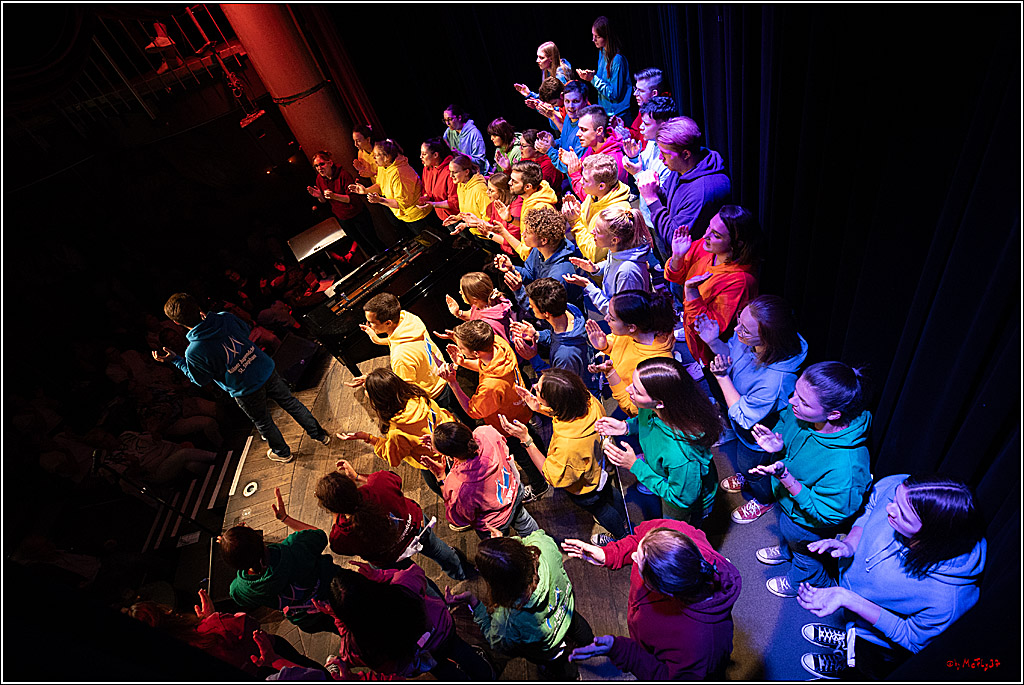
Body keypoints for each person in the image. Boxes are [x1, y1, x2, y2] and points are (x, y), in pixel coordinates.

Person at [797, 474, 986, 680]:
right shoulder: (905, 490)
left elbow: (911, 638)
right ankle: (845, 639)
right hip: (853, 606)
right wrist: (850, 544)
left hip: (878, 641)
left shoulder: (948, 600)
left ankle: (844, 664)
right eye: (894, 500)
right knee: (851, 632)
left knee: (862, 662)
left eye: (903, 516)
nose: (890, 509)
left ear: (931, 537)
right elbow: (872, 506)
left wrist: (850, 600)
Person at [152, 293, 330, 464]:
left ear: (176, 322)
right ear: (197, 307)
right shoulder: (224, 317)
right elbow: (245, 332)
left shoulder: (193, 352)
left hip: (245, 389)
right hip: (264, 369)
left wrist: (175, 360)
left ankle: (282, 453)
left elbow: (200, 380)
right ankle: (320, 435)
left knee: (264, 422)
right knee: (290, 402)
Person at [746, 362, 873, 598]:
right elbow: (785, 422)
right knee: (791, 538)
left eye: (804, 401)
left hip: (808, 523)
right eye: (795, 392)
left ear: (833, 414)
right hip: (788, 507)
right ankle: (788, 551)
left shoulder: (846, 465)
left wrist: (786, 478)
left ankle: (803, 581)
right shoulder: (800, 412)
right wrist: (779, 442)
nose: (792, 401)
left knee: (806, 555)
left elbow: (828, 514)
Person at [562, 518, 742, 679]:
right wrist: (609, 554)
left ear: (664, 591)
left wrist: (623, 652)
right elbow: (638, 540)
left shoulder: (700, 646)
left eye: (638, 562)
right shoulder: (673, 531)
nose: (633, 557)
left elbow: (664, 677)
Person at [694, 295, 808, 524]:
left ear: (769, 339)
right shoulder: (753, 342)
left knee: (750, 465)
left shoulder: (775, 381)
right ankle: (749, 477)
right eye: (739, 321)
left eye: (744, 329)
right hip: (740, 414)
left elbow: (745, 418)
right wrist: (714, 342)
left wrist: (722, 378)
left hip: (757, 434)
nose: (736, 330)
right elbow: (733, 354)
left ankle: (764, 499)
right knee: (746, 463)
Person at [273, 460, 471, 582]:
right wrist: (358, 476)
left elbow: (334, 541)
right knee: (438, 549)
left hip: (390, 558)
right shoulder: (379, 484)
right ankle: (463, 574)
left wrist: (287, 518)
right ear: (351, 485)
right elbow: (395, 479)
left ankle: (437, 604)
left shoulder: (341, 535)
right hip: (416, 527)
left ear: (331, 509)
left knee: (413, 580)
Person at [501, 368, 629, 542]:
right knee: (608, 493)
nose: (533, 387)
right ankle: (625, 520)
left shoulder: (567, 445)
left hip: (585, 487)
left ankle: (622, 538)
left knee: (600, 508)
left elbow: (551, 476)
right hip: (598, 468)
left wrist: (527, 440)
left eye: (538, 390)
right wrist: (538, 406)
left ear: (556, 403)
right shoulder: (586, 400)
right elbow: (564, 412)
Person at [448, 532, 595, 679]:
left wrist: (474, 603)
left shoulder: (506, 620)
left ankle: (573, 677)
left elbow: (496, 641)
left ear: (496, 582)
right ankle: (591, 644)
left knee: (559, 664)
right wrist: (505, 549)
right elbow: (529, 540)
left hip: (549, 648)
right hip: (566, 609)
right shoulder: (543, 545)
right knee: (579, 628)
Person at [596, 357, 722, 524]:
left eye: (637, 391)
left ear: (660, 403)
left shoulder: (681, 456)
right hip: (668, 477)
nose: (628, 389)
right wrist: (626, 427)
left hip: (683, 504)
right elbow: (649, 422)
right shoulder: (656, 408)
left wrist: (635, 466)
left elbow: (681, 500)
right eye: (633, 383)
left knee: (676, 530)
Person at [319, 563, 494, 680]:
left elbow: (352, 655)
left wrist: (337, 618)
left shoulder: (355, 645)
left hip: (417, 659)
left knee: (442, 670)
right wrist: (379, 575)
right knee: (462, 651)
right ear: (367, 584)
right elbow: (417, 573)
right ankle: (487, 675)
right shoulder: (402, 586)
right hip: (442, 631)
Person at [436, 320, 547, 500]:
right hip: (521, 409)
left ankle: (539, 485)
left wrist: (453, 382)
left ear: (476, 352)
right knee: (531, 436)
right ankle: (544, 462)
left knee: (522, 455)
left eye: (462, 348)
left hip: (507, 425)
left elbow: (473, 411)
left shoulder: (490, 387)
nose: (461, 351)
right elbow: (485, 366)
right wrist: (462, 359)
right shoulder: (498, 344)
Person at [127, 589, 327, 678]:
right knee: (308, 671)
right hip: (273, 657)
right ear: (165, 615)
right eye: (163, 610)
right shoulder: (214, 625)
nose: (170, 610)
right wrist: (213, 618)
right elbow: (251, 624)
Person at [665, 205, 761, 366]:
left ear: (736, 244)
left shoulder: (740, 281)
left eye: (716, 235)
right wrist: (677, 257)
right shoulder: (707, 247)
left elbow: (709, 329)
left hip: (711, 353)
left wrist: (691, 292)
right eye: (709, 226)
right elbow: (675, 276)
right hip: (692, 333)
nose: (705, 235)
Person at [354, 292, 468, 424]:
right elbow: (406, 342)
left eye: (372, 322)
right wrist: (378, 340)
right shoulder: (408, 318)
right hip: (446, 377)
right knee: (465, 412)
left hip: (434, 394)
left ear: (388, 323)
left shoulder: (400, 357)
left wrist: (373, 381)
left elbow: (406, 389)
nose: (369, 325)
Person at [339, 367, 453, 496]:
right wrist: (375, 380)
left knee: (450, 495)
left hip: (436, 464)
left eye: (367, 391)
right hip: (451, 443)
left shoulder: (398, 432)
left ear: (379, 401)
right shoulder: (417, 395)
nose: (365, 391)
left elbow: (392, 457)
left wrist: (369, 438)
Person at [428, 420, 540, 539]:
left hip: (493, 523)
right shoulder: (486, 432)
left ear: (447, 454)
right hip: (513, 495)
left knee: (505, 550)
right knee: (526, 525)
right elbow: (503, 447)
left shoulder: (457, 484)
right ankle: (541, 547)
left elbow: (458, 519)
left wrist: (441, 478)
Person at [219, 524, 338, 634]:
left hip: (309, 618)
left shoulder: (241, 590)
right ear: (259, 538)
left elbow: (238, 596)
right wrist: (285, 518)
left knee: (341, 629)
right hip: (337, 590)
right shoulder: (295, 545)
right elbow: (320, 535)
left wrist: (233, 550)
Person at [638, 116, 731, 249]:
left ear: (686, 154)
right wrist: (655, 189)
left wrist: (652, 198)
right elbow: (668, 198)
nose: (660, 158)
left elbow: (674, 240)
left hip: (695, 262)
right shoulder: (683, 168)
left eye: (665, 154)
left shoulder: (702, 192)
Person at [586, 290, 676, 416]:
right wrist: (606, 345)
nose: (606, 319)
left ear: (632, 327)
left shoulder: (654, 365)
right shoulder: (634, 332)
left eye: (611, 318)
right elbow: (617, 341)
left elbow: (634, 409)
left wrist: (611, 373)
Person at [563, 206, 652, 317]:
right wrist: (596, 268)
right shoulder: (618, 250)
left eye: (598, 231)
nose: (592, 232)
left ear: (614, 240)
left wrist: (587, 286)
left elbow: (619, 314)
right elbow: (613, 262)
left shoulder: (627, 273)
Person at [494, 206, 585, 314]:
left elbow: (542, 311)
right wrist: (512, 268)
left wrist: (518, 290)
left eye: (527, 232)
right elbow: (531, 274)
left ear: (543, 240)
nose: (523, 234)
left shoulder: (559, 275)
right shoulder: (539, 250)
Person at [622, 95, 677, 260]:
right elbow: (642, 169)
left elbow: (655, 190)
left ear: (664, 125)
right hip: (649, 217)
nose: (640, 128)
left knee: (669, 261)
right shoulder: (652, 144)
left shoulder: (670, 158)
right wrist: (633, 157)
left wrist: (637, 173)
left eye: (646, 124)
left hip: (662, 221)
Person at [347, 139, 434, 236]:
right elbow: (380, 185)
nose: (374, 158)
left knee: (431, 242)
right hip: (405, 216)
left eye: (376, 156)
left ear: (386, 157)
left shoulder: (399, 174)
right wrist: (366, 190)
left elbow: (401, 203)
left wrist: (380, 200)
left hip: (417, 215)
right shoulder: (383, 167)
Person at [307, 150, 386, 256]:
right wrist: (319, 196)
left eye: (322, 164)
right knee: (363, 245)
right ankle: (378, 267)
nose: (319, 168)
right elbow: (324, 201)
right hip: (343, 218)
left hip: (357, 213)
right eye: (316, 166)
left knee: (372, 240)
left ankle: (391, 259)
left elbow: (351, 199)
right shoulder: (320, 179)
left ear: (330, 163)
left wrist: (334, 196)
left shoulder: (343, 174)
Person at [511, 277, 590, 380]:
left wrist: (533, 358)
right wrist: (537, 335)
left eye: (532, 306)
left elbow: (559, 386)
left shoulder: (565, 356)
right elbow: (555, 336)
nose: (530, 307)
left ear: (546, 313)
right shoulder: (570, 310)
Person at [561, 153, 633, 265]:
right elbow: (586, 222)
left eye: (586, 180)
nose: (581, 182)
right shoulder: (595, 195)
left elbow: (593, 254)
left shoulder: (615, 213)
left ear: (601, 186)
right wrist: (577, 212)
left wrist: (575, 222)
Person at [564, 105, 628, 201]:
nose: (578, 134)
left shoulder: (613, 161)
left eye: (584, 130)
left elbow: (591, 198)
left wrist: (574, 174)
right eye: (579, 128)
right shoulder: (593, 146)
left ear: (599, 131)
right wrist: (573, 162)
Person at [576, 16, 631, 118]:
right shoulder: (602, 52)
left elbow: (614, 94)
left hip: (618, 115)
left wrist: (593, 79)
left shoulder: (617, 60)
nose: (593, 39)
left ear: (607, 36)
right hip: (606, 112)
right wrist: (591, 75)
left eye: (597, 36)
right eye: (593, 35)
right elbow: (604, 81)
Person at [446, 271, 515, 342]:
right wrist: (458, 313)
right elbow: (475, 314)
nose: (460, 292)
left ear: (474, 299)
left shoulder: (487, 325)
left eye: (463, 292)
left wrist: (456, 339)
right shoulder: (483, 305)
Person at [541, 80, 589, 177]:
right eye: (567, 101)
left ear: (585, 100)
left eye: (575, 101)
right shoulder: (569, 117)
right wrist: (554, 143)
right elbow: (566, 142)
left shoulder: (585, 129)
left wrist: (549, 150)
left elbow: (570, 166)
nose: (570, 106)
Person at [442, 155, 491, 236]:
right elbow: (467, 210)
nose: (451, 176)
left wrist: (466, 225)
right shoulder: (461, 185)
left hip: (486, 235)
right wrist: (458, 217)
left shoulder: (479, 189)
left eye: (455, 172)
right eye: (450, 171)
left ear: (466, 172)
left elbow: (488, 220)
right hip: (475, 232)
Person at [417, 136, 459, 223]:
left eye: (424, 154)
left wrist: (433, 204)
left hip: (456, 218)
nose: (421, 157)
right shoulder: (427, 168)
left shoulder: (450, 172)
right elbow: (426, 190)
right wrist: (425, 198)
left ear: (435, 155)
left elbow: (455, 202)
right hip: (443, 217)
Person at [623, 67, 670, 141]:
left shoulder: (661, 113)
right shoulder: (645, 106)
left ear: (654, 93)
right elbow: (637, 134)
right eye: (635, 89)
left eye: (641, 90)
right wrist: (622, 130)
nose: (635, 94)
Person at [442, 104, 488, 173]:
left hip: (477, 174)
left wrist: (462, 156)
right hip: (460, 174)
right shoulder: (448, 132)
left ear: (459, 117)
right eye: (445, 120)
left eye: (450, 119)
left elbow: (480, 161)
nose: (447, 123)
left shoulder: (474, 133)